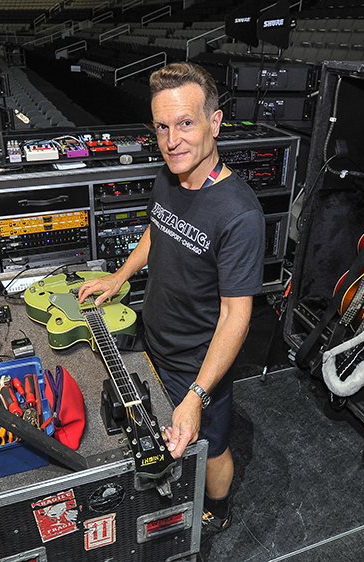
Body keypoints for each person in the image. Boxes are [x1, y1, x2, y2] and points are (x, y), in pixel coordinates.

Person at [77, 62, 265, 534]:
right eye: (162, 127)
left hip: (197, 364)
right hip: (153, 335)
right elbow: (154, 231)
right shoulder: (168, 176)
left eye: (185, 123)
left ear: (214, 123)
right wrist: (118, 277)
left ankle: (217, 511)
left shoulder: (240, 214)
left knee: (212, 446)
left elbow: (236, 317)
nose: (172, 140)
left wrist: (198, 394)